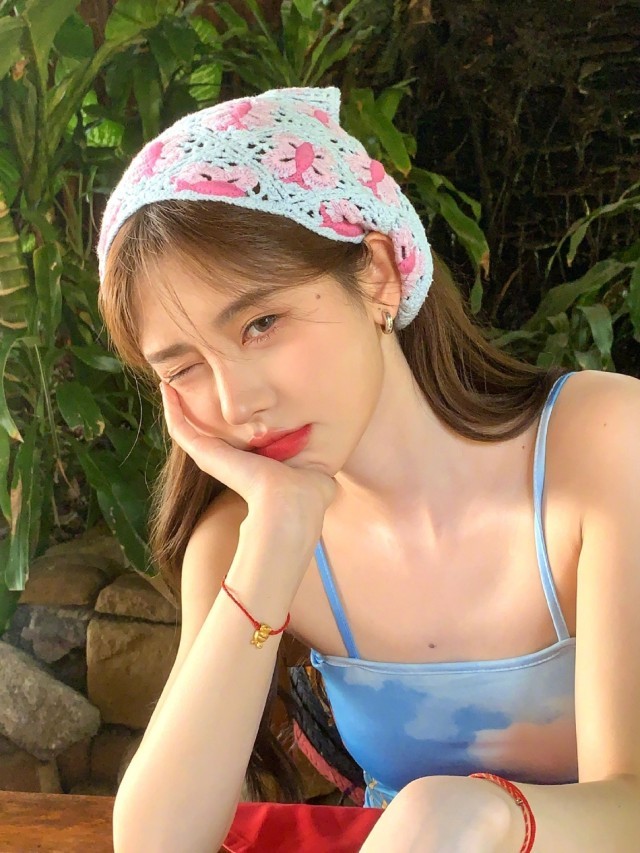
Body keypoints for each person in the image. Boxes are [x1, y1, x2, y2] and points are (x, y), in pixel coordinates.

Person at [97, 86, 640, 852]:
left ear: (379, 273)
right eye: (183, 367)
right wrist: (279, 536)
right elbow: (158, 842)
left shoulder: (604, 442)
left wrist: (476, 814)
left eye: (261, 323)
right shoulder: (240, 541)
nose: (237, 401)